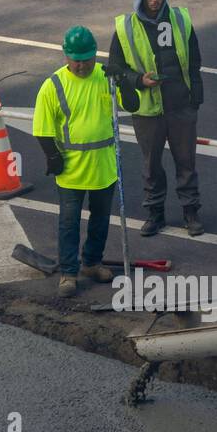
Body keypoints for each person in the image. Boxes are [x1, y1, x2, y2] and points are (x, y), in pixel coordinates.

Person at [33, 25, 141, 298]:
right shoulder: (53, 85)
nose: (82, 65)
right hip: (71, 170)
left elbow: (132, 105)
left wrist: (125, 82)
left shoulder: (106, 78)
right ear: (66, 56)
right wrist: (52, 156)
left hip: (103, 166)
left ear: (95, 55)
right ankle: (69, 272)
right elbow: (42, 128)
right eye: (76, 60)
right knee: (69, 223)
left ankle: (92, 263)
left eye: (87, 59)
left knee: (101, 219)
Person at [108, 0, 204, 237]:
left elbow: (194, 59)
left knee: (186, 162)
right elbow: (115, 68)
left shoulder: (181, 20)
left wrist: (195, 96)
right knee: (151, 165)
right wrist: (139, 80)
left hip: (180, 106)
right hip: (148, 111)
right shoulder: (125, 28)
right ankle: (155, 213)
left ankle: (191, 213)